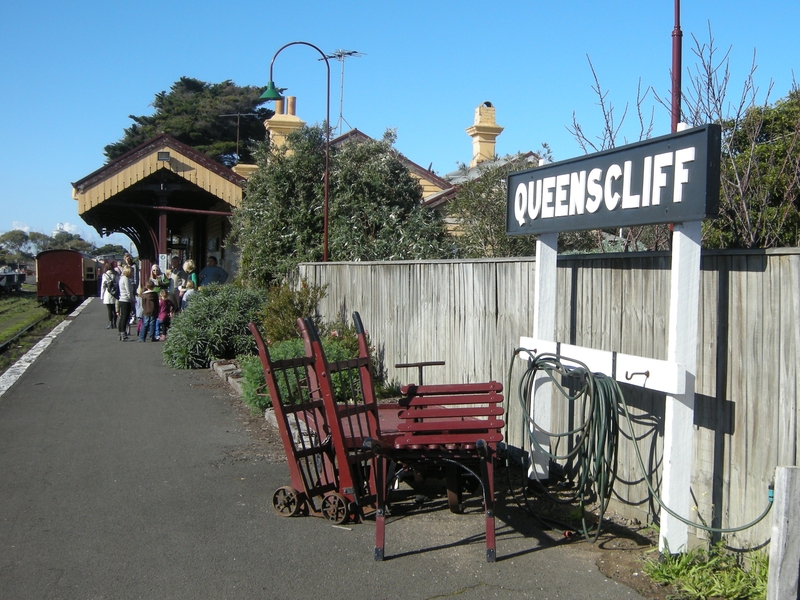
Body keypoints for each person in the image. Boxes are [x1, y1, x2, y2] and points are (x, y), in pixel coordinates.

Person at [117, 265, 134, 341]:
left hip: (121, 300)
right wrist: (132, 299)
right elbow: (129, 292)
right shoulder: (126, 280)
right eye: (132, 272)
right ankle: (123, 333)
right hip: (126, 300)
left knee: (122, 318)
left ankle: (120, 333)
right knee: (125, 318)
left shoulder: (121, 279)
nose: (133, 274)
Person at [101, 262, 118, 329]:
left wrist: (102, 296)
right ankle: (115, 323)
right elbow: (118, 283)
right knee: (115, 309)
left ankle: (110, 323)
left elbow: (103, 286)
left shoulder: (105, 275)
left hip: (108, 294)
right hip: (115, 294)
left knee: (109, 310)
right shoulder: (116, 274)